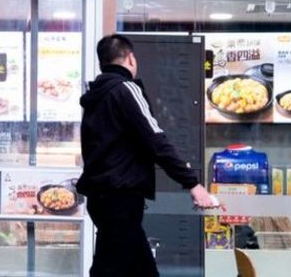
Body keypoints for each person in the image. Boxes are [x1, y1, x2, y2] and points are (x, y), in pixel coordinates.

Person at [77, 34, 220, 277]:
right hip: (120, 198)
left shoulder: (95, 97)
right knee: (108, 269)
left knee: (141, 268)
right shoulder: (126, 89)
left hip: (101, 198)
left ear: (102, 63)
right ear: (130, 59)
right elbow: (156, 140)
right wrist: (192, 183)